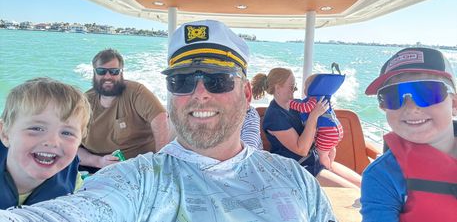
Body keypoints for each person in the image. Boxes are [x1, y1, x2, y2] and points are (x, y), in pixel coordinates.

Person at [0, 20, 336, 221]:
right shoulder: (138, 181)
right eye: (182, 81)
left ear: (247, 94)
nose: (199, 94)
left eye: (218, 80)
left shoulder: (294, 177)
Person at [361, 47, 457, 222]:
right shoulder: (382, 176)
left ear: (454, 103)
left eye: (427, 92)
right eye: (392, 96)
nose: (411, 108)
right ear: (383, 106)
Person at [252, 68, 361, 188]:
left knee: (363, 185)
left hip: (316, 159)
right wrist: (314, 115)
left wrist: (325, 113)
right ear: (278, 88)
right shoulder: (274, 116)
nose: (295, 89)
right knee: (353, 191)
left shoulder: (297, 105)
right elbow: (301, 149)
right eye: (292, 86)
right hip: (296, 168)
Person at [0, 77, 91, 209]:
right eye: (36, 128)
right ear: (5, 134)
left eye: (67, 133)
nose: (52, 142)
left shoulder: (74, 183)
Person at [78, 48, 170, 173]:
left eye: (114, 71)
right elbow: (70, 145)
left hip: (138, 169)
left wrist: (161, 164)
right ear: (94, 72)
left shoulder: (136, 92)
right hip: (95, 168)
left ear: (121, 73)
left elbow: (160, 118)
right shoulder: (84, 102)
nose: (108, 76)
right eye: (101, 71)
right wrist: (98, 161)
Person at [289, 73, 344, 170]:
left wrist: (290, 103)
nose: (304, 88)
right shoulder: (325, 97)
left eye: (306, 86)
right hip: (337, 129)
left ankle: (327, 169)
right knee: (331, 148)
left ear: (311, 88)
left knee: (322, 154)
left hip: (327, 132)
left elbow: (305, 107)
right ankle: (330, 162)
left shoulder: (313, 99)